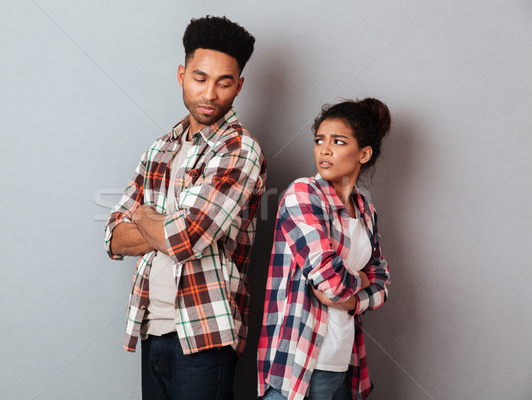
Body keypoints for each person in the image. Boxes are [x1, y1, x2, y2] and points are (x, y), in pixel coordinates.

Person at [104, 15, 266, 400]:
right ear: (182, 75)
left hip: (205, 334)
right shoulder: (159, 149)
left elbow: (187, 238)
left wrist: (143, 215)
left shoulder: (239, 149)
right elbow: (112, 237)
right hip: (151, 327)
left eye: (224, 83)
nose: (210, 93)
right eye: (200, 78)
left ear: (239, 86)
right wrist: (159, 226)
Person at [257, 98, 391, 400]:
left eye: (338, 141)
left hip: (344, 363)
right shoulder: (302, 194)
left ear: (364, 153)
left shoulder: (366, 210)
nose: (325, 150)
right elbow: (332, 285)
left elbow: (384, 283)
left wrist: (352, 303)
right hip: (300, 365)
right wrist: (363, 281)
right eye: (320, 140)